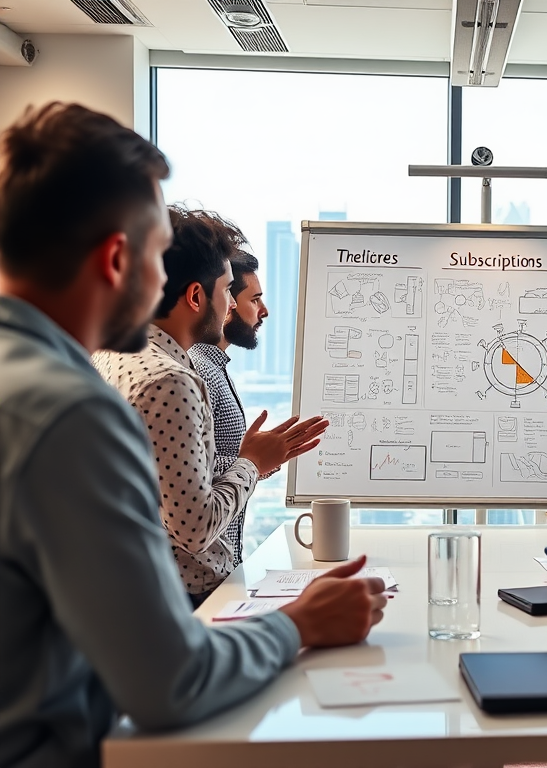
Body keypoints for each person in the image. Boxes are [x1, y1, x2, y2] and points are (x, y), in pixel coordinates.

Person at [0, 102, 387, 768]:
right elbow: (169, 681)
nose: (163, 285)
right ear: (119, 259)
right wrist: (300, 624)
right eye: (157, 259)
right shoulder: (70, 415)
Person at [93, 206, 328, 605]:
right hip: (181, 596)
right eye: (226, 291)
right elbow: (195, 528)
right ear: (196, 296)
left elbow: (166, 482)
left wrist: (254, 458)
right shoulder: (170, 381)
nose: (230, 305)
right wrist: (250, 463)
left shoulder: (111, 352)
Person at [189, 249, 270, 566]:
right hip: (204, 564)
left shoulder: (216, 367)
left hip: (219, 557)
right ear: (226, 304)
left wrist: (257, 458)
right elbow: (195, 470)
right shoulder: (200, 371)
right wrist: (253, 460)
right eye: (255, 300)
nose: (263, 311)